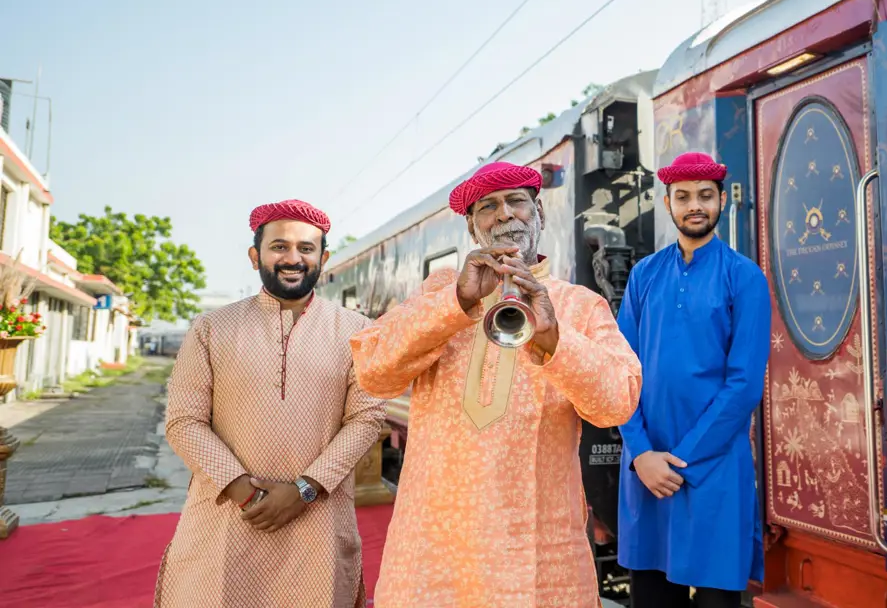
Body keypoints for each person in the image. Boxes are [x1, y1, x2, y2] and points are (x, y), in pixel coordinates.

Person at [350, 161, 642, 607]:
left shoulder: (579, 305)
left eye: (516, 202)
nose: (504, 214)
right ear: (471, 228)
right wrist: (457, 303)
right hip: (434, 552)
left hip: (539, 557)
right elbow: (373, 371)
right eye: (487, 206)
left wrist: (555, 339)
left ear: (539, 213)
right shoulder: (441, 292)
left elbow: (618, 402)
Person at [154, 199, 387, 608]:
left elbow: (367, 418)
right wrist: (244, 490)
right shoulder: (211, 328)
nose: (293, 258)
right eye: (279, 246)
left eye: (306, 248)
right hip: (228, 516)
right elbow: (184, 420)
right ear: (255, 255)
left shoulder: (357, 331)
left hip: (318, 519)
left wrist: (305, 490)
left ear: (324, 257)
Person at [615, 152, 771, 608]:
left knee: (717, 602)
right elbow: (621, 373)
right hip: (646, 469)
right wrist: (642, 453)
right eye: (682, 197)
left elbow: (743, 386)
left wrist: (678, 460)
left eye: (705, 195)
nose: (694, 205)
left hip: (714, 468)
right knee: (651, 599)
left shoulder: (744, 277)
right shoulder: (644, 276)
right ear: (668, 203)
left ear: (722, 200)